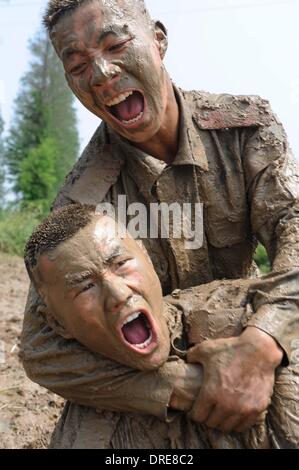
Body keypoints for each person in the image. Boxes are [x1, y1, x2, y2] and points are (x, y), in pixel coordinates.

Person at [20, 0, 299, 436]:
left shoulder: (246, 132)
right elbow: (41, 348)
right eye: (76, 65)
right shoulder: (82, 202)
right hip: (152, 370)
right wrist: (182, 385)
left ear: (159, 40)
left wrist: (262, 344)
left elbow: (294, 236)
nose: (101, 73)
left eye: (115, 45)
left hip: (250, 337)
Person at [24, 204, 299, 449]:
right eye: (85, 286)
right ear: (56, 323)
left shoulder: (245, 313)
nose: (119, 294)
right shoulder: (89, 426)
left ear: (147, 257)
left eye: (121, 264)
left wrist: (261, 345)